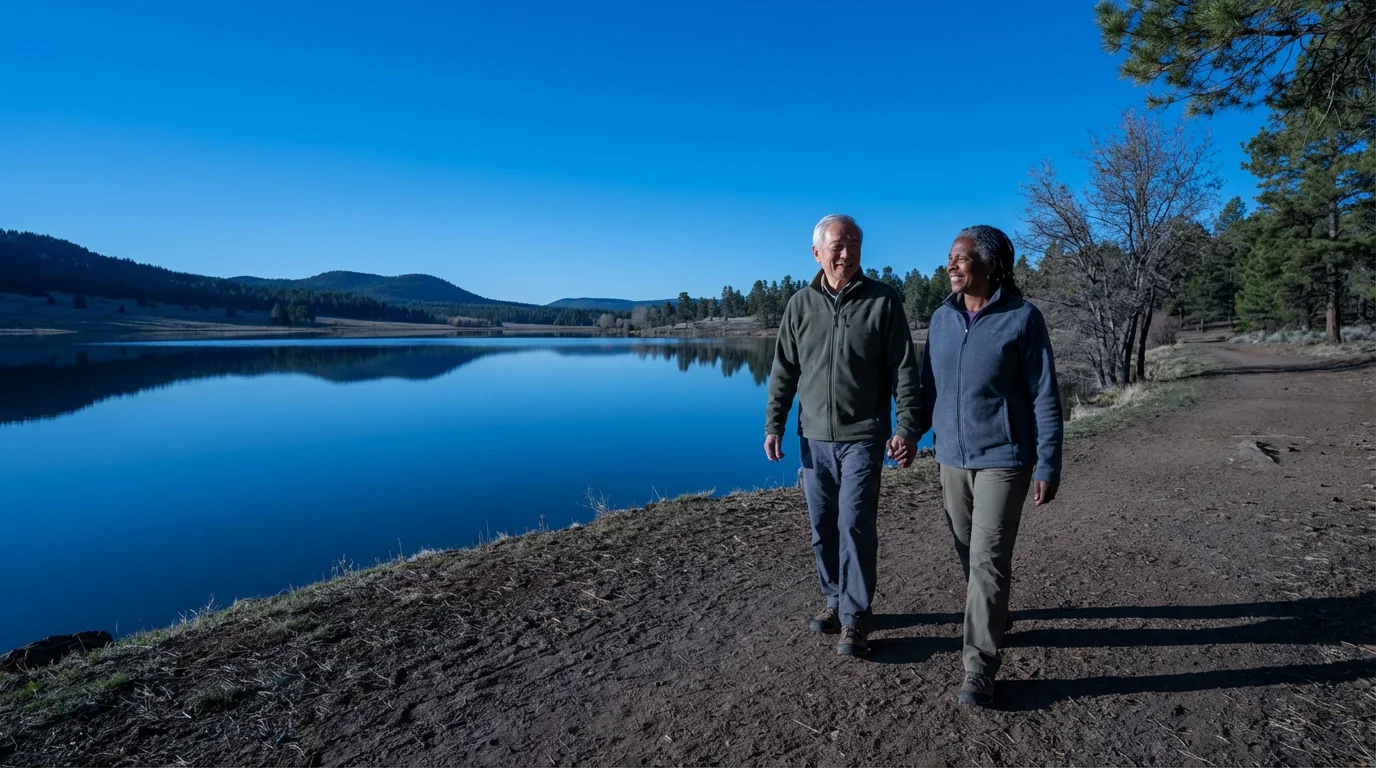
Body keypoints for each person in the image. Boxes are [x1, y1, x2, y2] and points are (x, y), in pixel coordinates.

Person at [765, 213, 922, 657]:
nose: (847, 253)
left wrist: (907, 426)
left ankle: (855, 617)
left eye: (854, 244)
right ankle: (834, 599)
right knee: (822, 526)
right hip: (812, 438)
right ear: (817, 252)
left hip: (864, 436)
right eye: (838, 245)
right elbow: (783, 372)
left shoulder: (883, 301)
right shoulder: (800, 305)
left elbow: (904, 372)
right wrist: (774, 423)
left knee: (854, 524)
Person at [919, 224, 1063, 705]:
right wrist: (906, 433)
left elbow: (1045, 397)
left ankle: (978, 666)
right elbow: (928, 390)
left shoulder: (1022, 318)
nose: (951, 264)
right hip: (951, 459)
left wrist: (1048, 464)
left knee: (987, 559)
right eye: (950, 257)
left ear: (992, 264)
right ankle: (996, 616)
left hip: (1005, 458)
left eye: (961, 257)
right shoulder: (941, 318)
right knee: (967, 550)